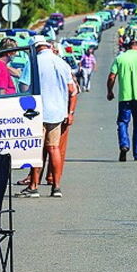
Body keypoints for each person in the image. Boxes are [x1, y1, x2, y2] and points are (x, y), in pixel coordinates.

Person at [16, 36, 78, 199]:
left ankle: (33, 186)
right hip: (57, 113)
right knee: (54, 148)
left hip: (37, 112)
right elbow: (72, 90)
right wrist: (70, 112)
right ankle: (56, 187)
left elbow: (23, 87)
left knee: (37, 149)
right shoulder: (62, 63)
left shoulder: (34, 63)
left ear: (34, 48)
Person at [107, 39, 137, 162]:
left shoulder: (120, 58)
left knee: (122, 122)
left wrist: (110, 91)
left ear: (128, 47)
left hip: (125, 97)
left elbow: (112, 77)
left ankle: (124, 144)